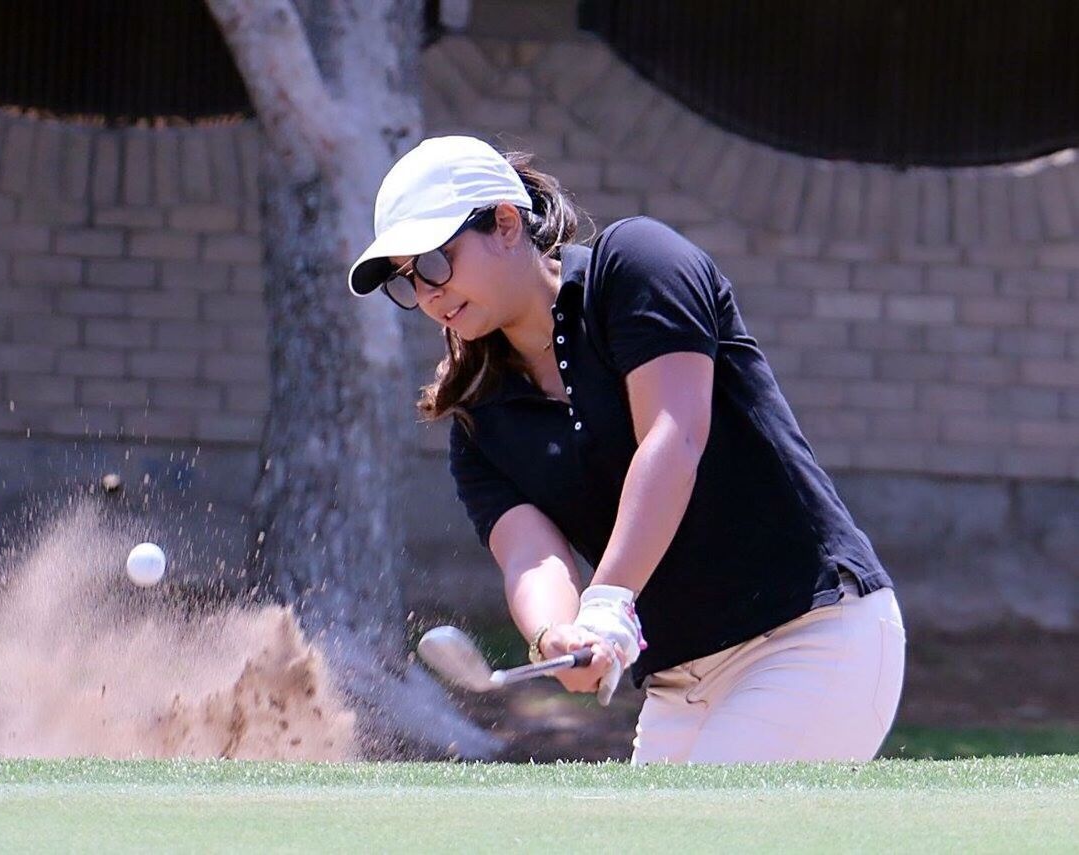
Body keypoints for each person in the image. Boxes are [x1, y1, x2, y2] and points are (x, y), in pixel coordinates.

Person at [348, 136, 905, 764]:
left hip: (812, 634)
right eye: (406, 279)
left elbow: (675, 436)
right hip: (679, 683)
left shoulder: (637, 265)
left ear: (506, 223)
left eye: (435, 261)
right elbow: (532, 560)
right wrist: (557, 635)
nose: (426, 292)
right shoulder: (480, 423)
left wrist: (608, 601)